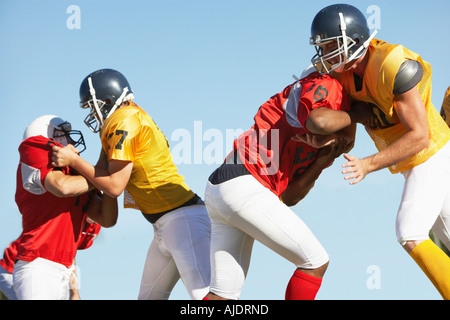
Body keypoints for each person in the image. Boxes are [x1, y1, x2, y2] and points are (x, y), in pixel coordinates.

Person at [309, 3, 450, 299]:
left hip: (433, 153)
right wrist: (330, 142)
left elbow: (420, 136)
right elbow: (348, 128)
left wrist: (368, 165)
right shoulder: (341, 76)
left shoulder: (391, 65)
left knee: (409, 230)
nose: (326, 54)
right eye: (323, 47)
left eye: (332, 45)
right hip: (414, 162)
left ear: (354, 40)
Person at [51, 69, 211, 300]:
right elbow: (100, 175)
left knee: (207, 298)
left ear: (106, 100)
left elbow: (114, 186)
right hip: (164, 224)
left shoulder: (123, 119)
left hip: (182, 219)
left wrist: (74, 160)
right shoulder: (126, 118)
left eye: (92, 106)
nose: (92, 114)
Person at [203, 71, 357, 300]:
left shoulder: (325, 144)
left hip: (226, 188)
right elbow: (319, 120)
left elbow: (289, 198)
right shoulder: (325, 85)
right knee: (315, 261)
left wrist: (321, 161)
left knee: (223, 294)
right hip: (245, 182)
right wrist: (358, 113)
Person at [13, 115, 117, 300]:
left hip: (64, 268)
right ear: (46, 136)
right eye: (63, 135)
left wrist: (109, 172)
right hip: (38, 265)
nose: (70, 140)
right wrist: (101, 178)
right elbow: (63, 186)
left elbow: (107, 218)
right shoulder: (33, 150)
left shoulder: (75, 175)